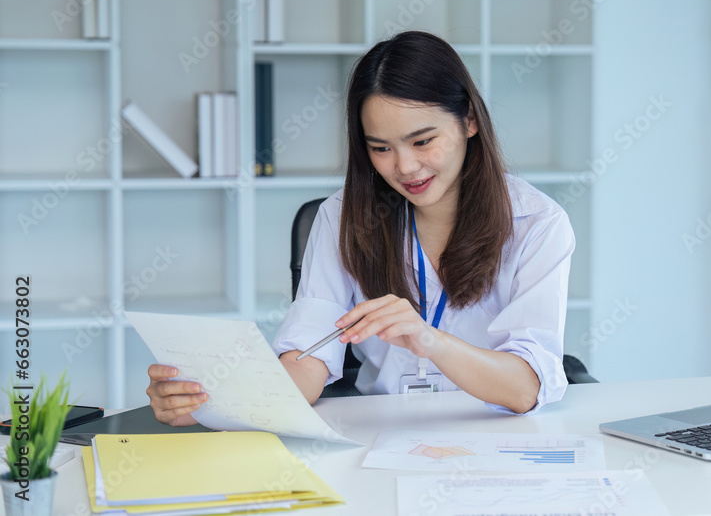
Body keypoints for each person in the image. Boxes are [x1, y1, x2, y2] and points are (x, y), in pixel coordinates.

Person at [147, 30, 575, 423]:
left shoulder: (538, 224)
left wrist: (429, 340)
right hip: (385, 433)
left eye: (423, 141)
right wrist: (211, 405)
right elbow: (309, 357)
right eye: (381, 148)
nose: (405, 167)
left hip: (496, 437)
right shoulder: (342, 218)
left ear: (469, 120)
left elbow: (525, 388)